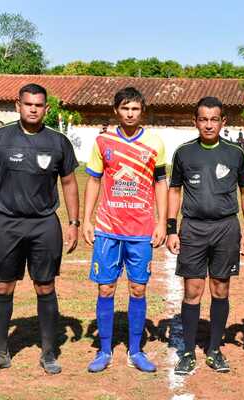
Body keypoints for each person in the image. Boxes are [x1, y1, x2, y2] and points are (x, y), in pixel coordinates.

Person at [0, 83, 80, 375]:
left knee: (45, 285)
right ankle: (1, 352)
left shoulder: (58, 142)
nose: (33, 109)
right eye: (28, 104)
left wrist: (73, 222)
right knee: (3, 285)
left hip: (45, 223)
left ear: (46, 108)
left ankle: (48, 353)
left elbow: (69, 183)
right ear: (17, 105)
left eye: (39, 105)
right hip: (7, 222)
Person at [83, 87, 167, 373]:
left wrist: (161, 222)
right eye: (124, 108)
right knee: (106, 288)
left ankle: (135, 350)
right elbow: (94, 180)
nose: (130, 114)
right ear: (116, 110)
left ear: (142, 110)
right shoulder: (102, 141)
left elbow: (160, 184)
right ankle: (104, 350)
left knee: (138, 288)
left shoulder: (155, 143)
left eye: (135, 109)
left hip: (141, 229)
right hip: (107, 227)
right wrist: (87, 219)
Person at [167, 96, 244, 375]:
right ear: (195, 121)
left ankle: (214, 350)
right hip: (193, 228)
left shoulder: (236, 153)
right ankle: (188, 352)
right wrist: (170, 228)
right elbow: (174, 190)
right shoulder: (183, 152)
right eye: (203, 119)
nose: (208, 124)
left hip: (226, 228)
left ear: (223, 122)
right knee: (192, 290)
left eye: (214, 119)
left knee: (220, 288)